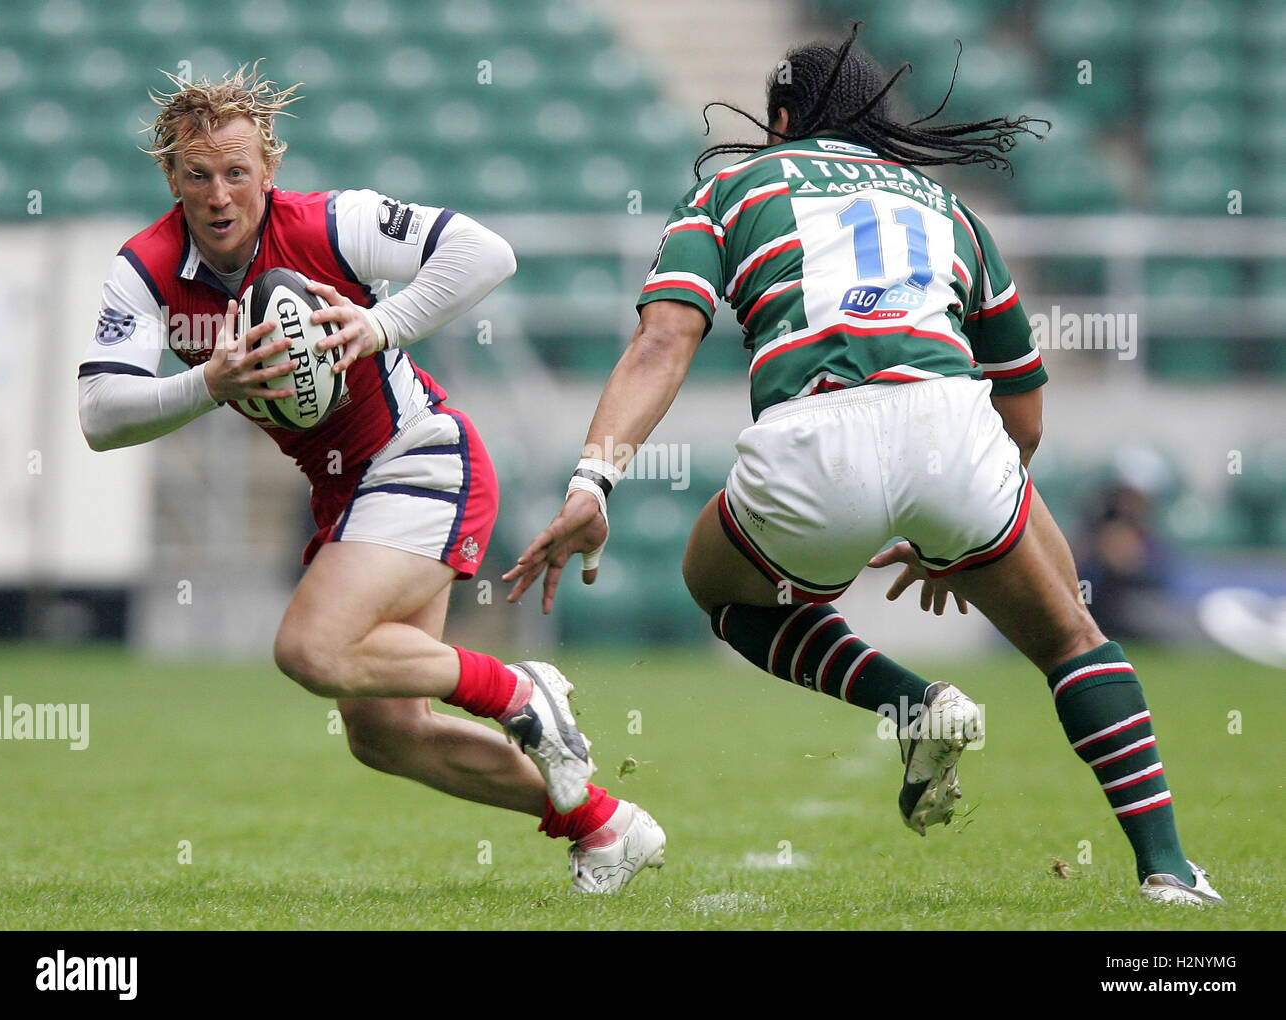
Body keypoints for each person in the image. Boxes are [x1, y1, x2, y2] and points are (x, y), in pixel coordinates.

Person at [506, 29, 1221, 906]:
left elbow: (663, 343)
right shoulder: (949, 208)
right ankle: (1168, 871)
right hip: (955, 428)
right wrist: (961, 531)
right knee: (1073, 637)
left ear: (780, 119)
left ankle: (910, 703)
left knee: (723, 593)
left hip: (814, 441)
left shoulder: (730, 188)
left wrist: (593, 482)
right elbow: (1024, 410)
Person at [77, 63, 664, 894]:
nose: (218, 195)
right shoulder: (145, 268)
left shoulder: (328, 223)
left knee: (312, 649)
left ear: (269, 171)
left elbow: (485, 253)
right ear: (170, 176)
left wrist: (380, 323)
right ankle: (603, 825)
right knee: (386, 734)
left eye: (237, 172)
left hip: (419, 456)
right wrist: (209, 382)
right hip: (344, 490)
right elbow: (100, 413)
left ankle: (520, 689)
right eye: (197, 174)